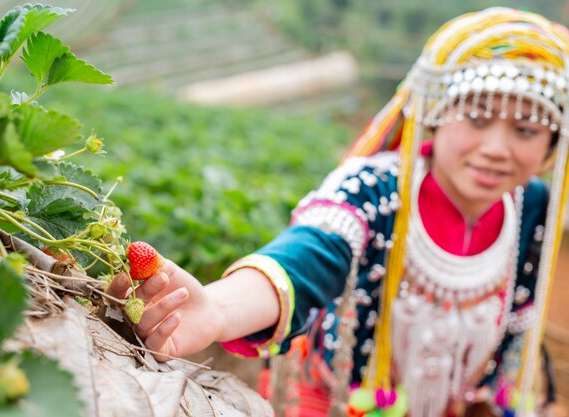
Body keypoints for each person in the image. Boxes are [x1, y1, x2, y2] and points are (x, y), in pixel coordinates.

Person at [108, 7, 569, 417]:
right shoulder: (372, 190)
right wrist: (219, 309)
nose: (496, 149)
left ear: (551, 145)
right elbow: (308, 255)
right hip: (335, 401)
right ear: (435, 113)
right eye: (477, 118)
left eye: (527, 130)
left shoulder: (535, 208)